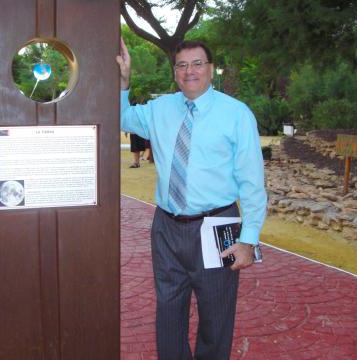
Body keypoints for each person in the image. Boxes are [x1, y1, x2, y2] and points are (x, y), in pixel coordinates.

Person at [116, 38, 267, 359]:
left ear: (211, 69)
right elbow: (122, 117)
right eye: (182, 65)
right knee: (169, 311)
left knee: (216, 314)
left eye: (197, 63)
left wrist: (249, 240)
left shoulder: (236, 114)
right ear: (174, 72)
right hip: (166, 227)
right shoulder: (160, 109)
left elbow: (252, 183)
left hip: (217, 227)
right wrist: (124, 82)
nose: (189, 71)